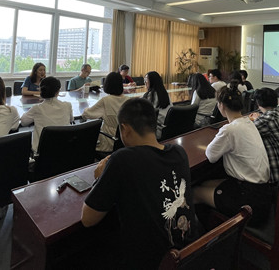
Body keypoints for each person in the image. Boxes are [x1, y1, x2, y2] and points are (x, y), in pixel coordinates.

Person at [81, 98, 198, 269]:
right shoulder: (179, 152)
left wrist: (99, 177)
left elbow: (88, 219)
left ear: (125, 129)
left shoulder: (122, 159)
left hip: (152, 263)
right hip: (189, 255)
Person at [193, 82, 272, 225]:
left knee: (195, 192)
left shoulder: (230, 129)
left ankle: (205, 232)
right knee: (205, 182)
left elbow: (211, 156)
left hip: (249, 200)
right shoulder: (248, 122)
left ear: (221, 106)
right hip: (261, 192)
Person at [21, 76, 73, 153]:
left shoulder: (37, 108)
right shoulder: (67, 105)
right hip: (64, 148)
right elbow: (71, 120)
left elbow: (23, 122)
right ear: (58, 91)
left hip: (42, 151)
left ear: (41, 90)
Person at [81, 72, 127, 154]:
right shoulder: (128, 100)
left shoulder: (106, 100)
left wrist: (86, 108)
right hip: (124, 141)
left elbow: (86, 114)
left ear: (107, 85)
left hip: (108, 141)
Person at [142, 71, 171, 139]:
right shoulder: (165, 94)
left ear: (152, 81)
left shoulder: (150, 95)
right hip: (168, 129)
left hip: (155, 131)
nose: (144, 82)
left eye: (146, 79)